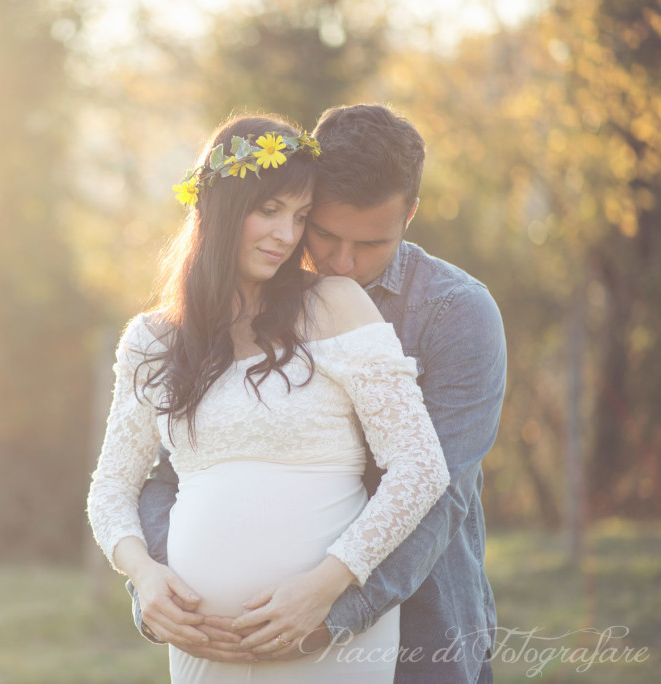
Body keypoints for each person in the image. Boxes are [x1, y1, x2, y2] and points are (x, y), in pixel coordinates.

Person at [130, 104, 507, 683]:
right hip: (229, 644)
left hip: (425, 624)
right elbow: (167, 472)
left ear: (410, 215)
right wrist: (160, 587)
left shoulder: (456, 312)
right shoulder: (230, 307)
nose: (341, 261)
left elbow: (441, 492)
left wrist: (332, 614)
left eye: (372, 243)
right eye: (324, 232)